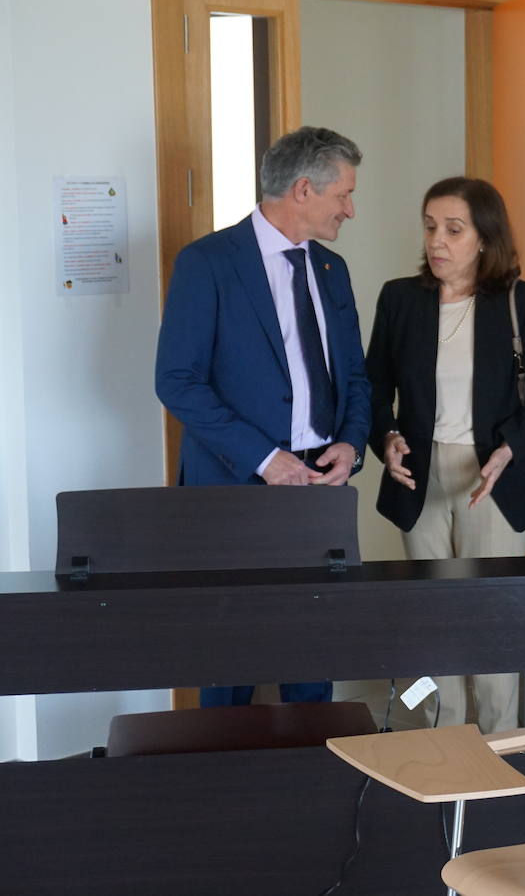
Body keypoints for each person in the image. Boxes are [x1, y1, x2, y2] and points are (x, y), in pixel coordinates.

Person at [155, 126, 371, 708]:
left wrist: (351, 444)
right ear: (303, 189)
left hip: (320, 492)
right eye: (342, 195)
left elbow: (354, 375)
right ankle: (224, 789)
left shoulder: (333, 270)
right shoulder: (208, 263)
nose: (350, 209)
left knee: (312, 651)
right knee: (230, 657)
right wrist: (265, 458)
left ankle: (312, 782)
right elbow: (176, 381)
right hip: (233, 488)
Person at [366, 177, 525, 733]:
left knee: (490, 623)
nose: (438, 241)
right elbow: (373, 389)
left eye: (454, 229)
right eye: (430, 226)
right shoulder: (400, 298)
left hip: (494, 480)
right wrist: (386, 438)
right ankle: (440, 746)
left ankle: (502, 750)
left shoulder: (520, 302)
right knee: (432, 623)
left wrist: (510, 449)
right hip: (418, 478)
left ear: (485, 238)